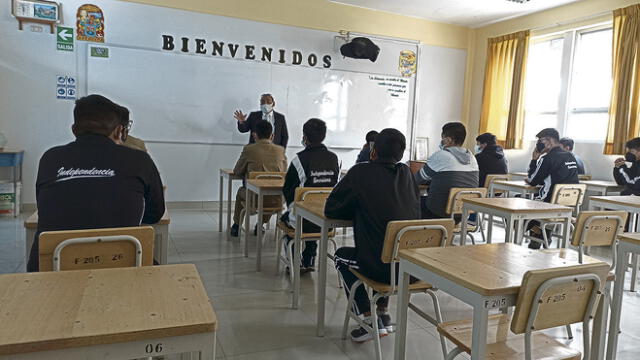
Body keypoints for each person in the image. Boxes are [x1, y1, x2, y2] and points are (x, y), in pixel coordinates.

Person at [29, 94, 165, 272]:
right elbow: (155, 214)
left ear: (73, 130)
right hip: (123, 264)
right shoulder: (139, 159)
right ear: (118, 131)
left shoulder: (50, 158)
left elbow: (46, 207)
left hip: (52, 267)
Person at [326, 128, 419, 342]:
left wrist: (358, 209)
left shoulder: (360, 172)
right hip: (411, 268)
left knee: (341, 256)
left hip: (380, 268)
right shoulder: (407, 175)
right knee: (390, 251)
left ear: (373, 151)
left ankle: (368, 320)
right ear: (401, 154)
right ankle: (383, 315)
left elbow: (331, 209)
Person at [281, 118, 340, 271]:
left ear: (304, 137)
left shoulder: (298, 160)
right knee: (313, 216)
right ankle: (309, 258)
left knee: (289, 218)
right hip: (325, 220)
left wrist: (292, 208)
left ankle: (295, 262)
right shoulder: (334, 158)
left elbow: (287, 190)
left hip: (301, 222)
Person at [230, 120, 287, 237]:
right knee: (270, 194)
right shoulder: (280, 150)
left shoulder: (249, 149)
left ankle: (236, 225)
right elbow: (284, 173)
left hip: (254, 199)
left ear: (255, 134)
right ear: (272, 135)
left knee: (241, 191)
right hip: (278, 200)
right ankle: (260, 224)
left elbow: (237, 171)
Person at [526, 128, 579, 249]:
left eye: (541, 141)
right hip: (568, 205)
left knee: (516, 204)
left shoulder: (548, 158)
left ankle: (539, 236)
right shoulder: (570, 156)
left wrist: (534, 160)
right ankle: (543, 234)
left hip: (549, 203)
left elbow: (532, 180)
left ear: (549, 140)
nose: (539, 144)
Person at [415, 122, 479, 219]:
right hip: (463, 214)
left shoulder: (441, 155)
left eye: (442, 138)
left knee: (411, 202)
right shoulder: (472, 157)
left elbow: (417, 179)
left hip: (438, 213)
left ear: (449, 140)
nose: (441, 141)